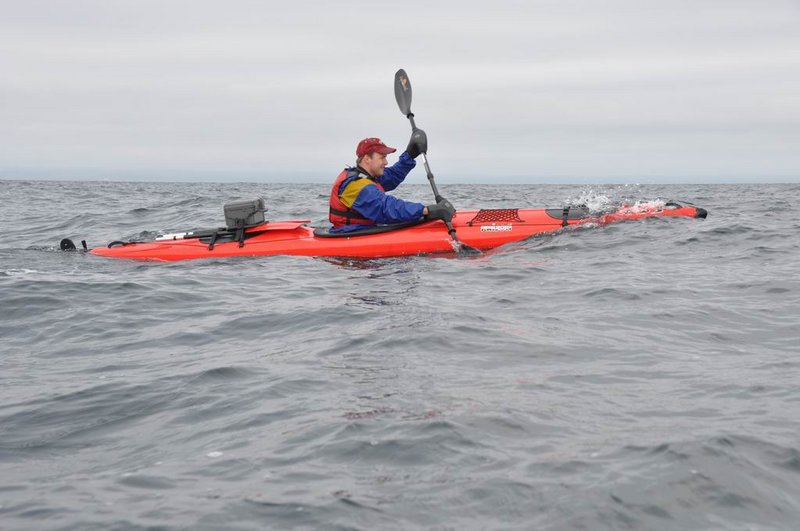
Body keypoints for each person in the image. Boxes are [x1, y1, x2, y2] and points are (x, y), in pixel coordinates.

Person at [328, 131, 456, 233]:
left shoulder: (369, 177)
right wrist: (426, 210)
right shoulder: (354, 185)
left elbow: (393, 175)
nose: (386, 162)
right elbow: (385, 208)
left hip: (363, 231)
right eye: (382, 157)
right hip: (350, 236)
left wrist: (410, 155)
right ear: (367, 159)